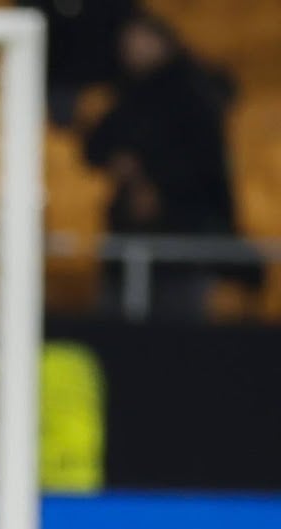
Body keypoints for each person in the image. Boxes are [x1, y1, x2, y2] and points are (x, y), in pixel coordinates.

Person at [83, 13, 243, 321]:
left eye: (140, 40)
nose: (131, 50)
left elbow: (206, 165)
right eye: (126, 43)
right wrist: (124, 165)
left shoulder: (194, 94)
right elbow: (96, 146)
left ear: (163, 42)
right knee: (121, 326)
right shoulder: (126, 93)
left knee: (180, 331)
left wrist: (155, 183)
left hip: (186, 235)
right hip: (129, 237)